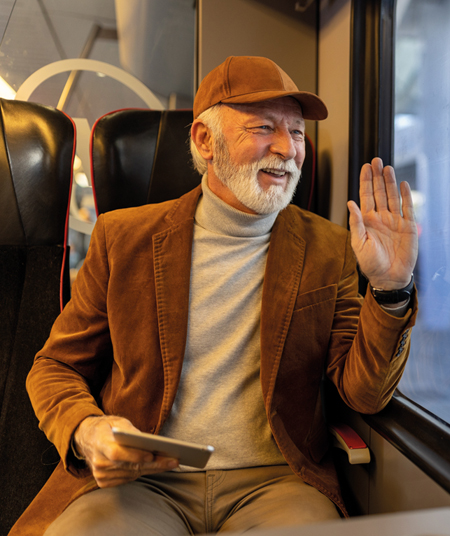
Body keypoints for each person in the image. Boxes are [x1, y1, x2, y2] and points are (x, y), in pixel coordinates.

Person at [11, 56, 418, 536]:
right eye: (265, 127)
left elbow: (362, 394)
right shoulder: (123, 238)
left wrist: (390, 289)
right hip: (142, 483)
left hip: (276, 484)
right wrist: (87, 430)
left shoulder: (330, 248)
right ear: (206, 141)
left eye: (299, 133)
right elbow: (55, 368)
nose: (288, 149)